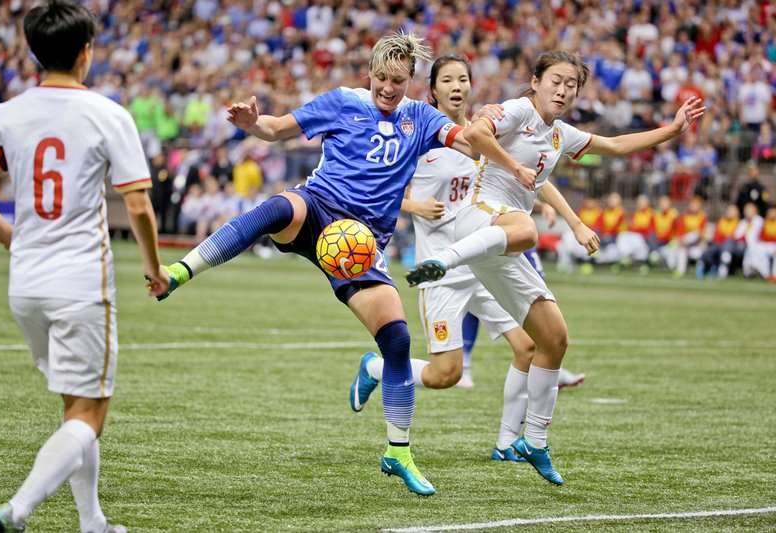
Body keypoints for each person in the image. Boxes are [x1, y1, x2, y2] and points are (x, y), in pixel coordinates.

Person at [153, 33, 515, 496]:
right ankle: (178, 273)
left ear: (410, 81)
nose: (388, 88)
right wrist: (253, 123)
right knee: (277, 208)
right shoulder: (343, 101)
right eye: (382, 78)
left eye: (398, 81)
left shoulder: (423, 118)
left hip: (360, 244)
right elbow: (278, 128)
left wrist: (488, 124)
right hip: (318, 208)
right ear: (370, 74)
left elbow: (468, 144)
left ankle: (398, 452)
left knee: (398, 341)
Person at [406, 50, 704, 485]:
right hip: (478, 217)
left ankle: (533, 441)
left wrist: (673, 130)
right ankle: (442, 261)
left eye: (571, 85)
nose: (563, 90)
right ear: (535, 81)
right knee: (526, 231)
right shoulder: (517, 110)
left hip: (499, 245)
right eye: (556, 81)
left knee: (553, 339)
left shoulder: (560, 134)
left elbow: (616, 145)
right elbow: (477, 132)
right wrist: (515, 168)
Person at [0, 2, 170, 531]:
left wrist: (12, 239)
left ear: (34, 53)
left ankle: (92, 522)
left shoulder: (7, 114)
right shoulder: (107, 114)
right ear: (86, 52)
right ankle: (17, 509)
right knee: (90, 414)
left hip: (26, 286)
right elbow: (137, 204)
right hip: (80, 283)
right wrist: (154, 268)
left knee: (73, 406)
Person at [346, 54, 584, 467]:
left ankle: (507, 442)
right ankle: (376, 369)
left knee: (529, 346)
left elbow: (530, 171)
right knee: (447, 374)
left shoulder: (484, 131)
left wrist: (559, 211)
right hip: (441, 268)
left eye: (463, 79)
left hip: (485, 260)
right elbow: (377, 187)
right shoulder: (420, 136)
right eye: (447, 80)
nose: (456, 87)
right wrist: (414, 206)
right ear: (433, 89)